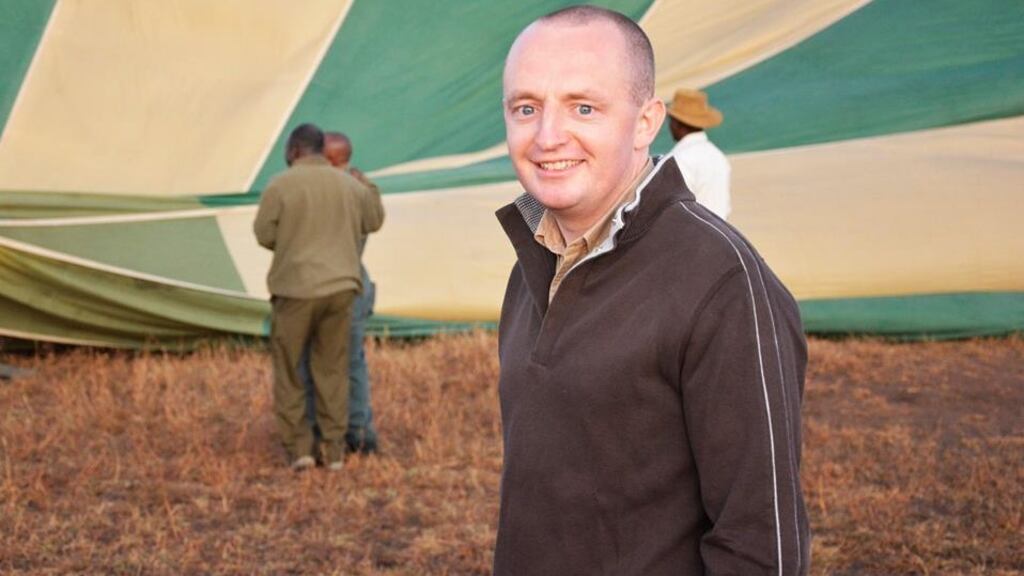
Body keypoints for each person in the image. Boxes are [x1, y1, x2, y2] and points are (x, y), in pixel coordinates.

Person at [494, 6, 809, 574]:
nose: (547, 136)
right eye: (526, 108)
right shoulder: (534, 257)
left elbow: (762, 546)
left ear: (645, 123)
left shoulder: (724, 283)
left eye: (583, 107)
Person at [254, 123, 384, 472]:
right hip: (342, 289)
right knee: (334, 370)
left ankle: (301, 449)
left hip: (295, 289)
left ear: (296, 150)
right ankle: (335, 450)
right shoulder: (350, 185)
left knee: (292, 369)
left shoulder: (280, 184)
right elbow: (374, 219)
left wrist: (293, 242)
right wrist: (368, 185)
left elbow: (264, 234)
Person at [298, 131, 380, 455]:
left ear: (329, 158)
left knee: (313, 362)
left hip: (323, 286)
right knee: (353, 362)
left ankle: (320, 433)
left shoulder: (327, 192)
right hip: (356, 285)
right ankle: (359, 432)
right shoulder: (360, 188)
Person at [665, 88, 732, 220]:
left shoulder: (680, 158)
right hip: (719, 230)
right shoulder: (718, 156)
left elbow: (673, 208)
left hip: (691, 231)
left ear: (677, 123)